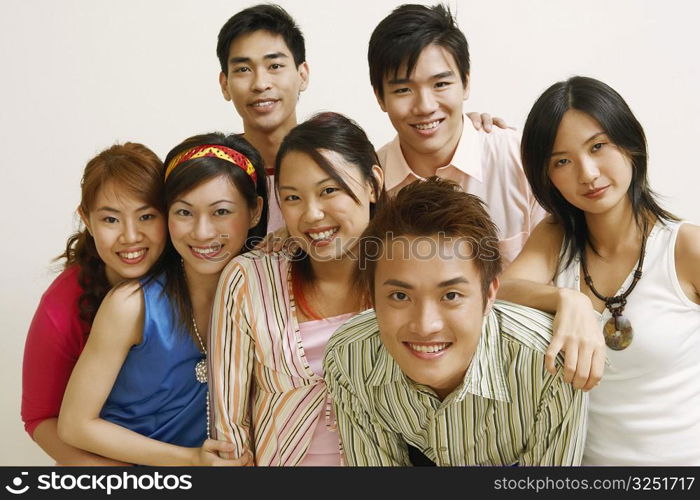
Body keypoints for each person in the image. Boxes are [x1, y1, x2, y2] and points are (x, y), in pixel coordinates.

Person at [499, 76, 700, 465]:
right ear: (548, 176)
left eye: (598, 147)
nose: (587, 173)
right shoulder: (557, 236)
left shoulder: (685, 249)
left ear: (630, 143)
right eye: (562, 161)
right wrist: (566, 299)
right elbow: (500, 293)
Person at [324, 177, 588, 466]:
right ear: (371, 298)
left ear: (489, 295)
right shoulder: (349, 355)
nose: (425, 326)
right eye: (400, 296)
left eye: (450, 295)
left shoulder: (549, 365)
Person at [57, 133, 267, 466]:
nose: (201, 232)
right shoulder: (131, 305)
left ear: (255, 212)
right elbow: (74, 426)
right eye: (184, 212)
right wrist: (189, 459)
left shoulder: (264, 296)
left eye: (221, 212)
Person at [216, 4, 500, 232]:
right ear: (224, 84)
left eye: (275, 65)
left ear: (303, 74)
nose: (260, 83)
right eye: (243, 69)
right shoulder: (217, 173)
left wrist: (462, 126)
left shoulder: (343, 163)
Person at [209, 112, 383, 465]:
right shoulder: (249, 279)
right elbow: (229, 429)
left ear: (373, 185)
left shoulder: (408, 274)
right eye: (292, 198)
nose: (313, 215)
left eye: (329, 190)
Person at [368, 3, 546, 268]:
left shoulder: (519, 157)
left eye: (440, 84)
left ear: (466, 82)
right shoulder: (370, 185)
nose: (425, 106)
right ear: (380, 97)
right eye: (403, 90)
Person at [21, 143, 167, 465]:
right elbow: (40, 418)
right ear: (86, 219)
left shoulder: (189, 275)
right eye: (111, 220)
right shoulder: (61, 307)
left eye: (146, 216)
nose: (131, 236)